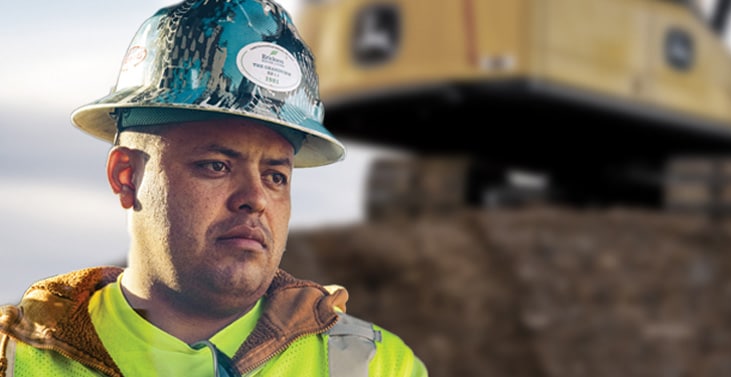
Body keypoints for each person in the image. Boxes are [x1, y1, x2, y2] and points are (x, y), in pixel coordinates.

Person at [0, 0, 427, 375]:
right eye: (216, 165)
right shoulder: (14, 360)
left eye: (276, 176)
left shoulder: (376, 367)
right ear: (127, 177)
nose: (255, 199)